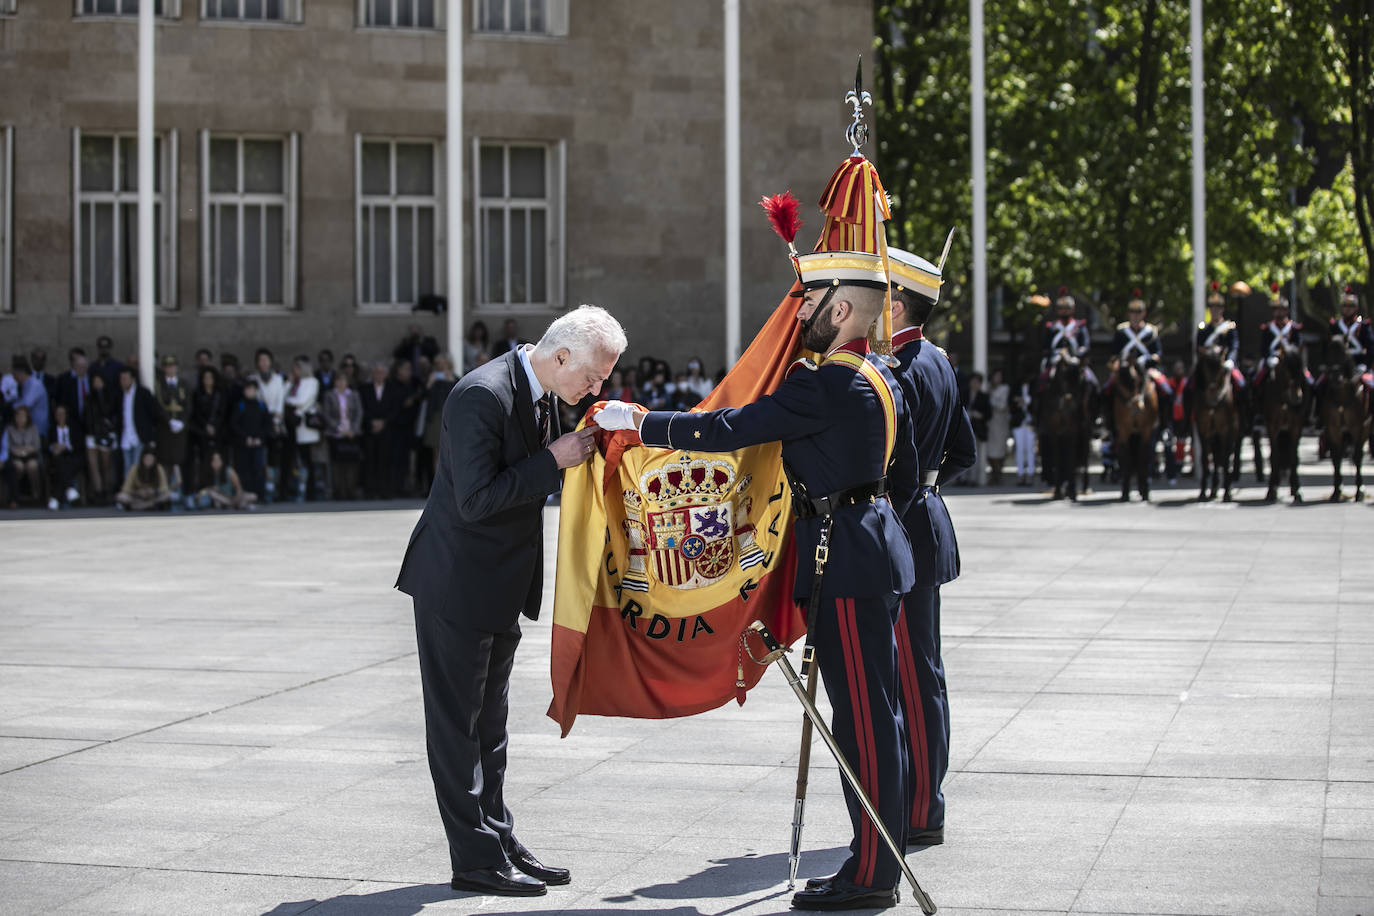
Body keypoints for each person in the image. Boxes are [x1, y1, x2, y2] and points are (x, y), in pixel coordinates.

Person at [597, 250, 919, 911]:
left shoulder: (825, 383)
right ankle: (876, 857)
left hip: (847, 561)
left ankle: (873, 875)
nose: (795, 317)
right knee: (874, 713)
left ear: (838, 310)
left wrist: (640, 422)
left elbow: (729, 429)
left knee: (861, 719)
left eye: (805, 305)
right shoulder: (881, 376)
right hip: (875, 546)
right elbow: (904, 471)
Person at [396, 304, 625, 898]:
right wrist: (553, 461)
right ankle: (472, 857)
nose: (595, 388)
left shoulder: (546, 393)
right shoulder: (482, 395)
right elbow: (475, 499)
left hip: (497, 584)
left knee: (491, 728)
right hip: (457, 583)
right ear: (562, 354)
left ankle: (497, 836)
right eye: (594, 377)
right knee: (456, 728)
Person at [882, 244, 975, 851]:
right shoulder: (938, 361)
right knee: (926, 672)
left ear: (895, 302)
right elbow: (962, 450)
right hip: (929, 521)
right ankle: (925, 799)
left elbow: (897, 464)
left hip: (905, 529)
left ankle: (921, 809)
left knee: (912, 677)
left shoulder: (901, 370)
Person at [282, 356, 322, 502]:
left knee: (308, 461)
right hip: (292, 425)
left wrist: (290, 402)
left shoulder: (312, 382)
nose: (294, 371)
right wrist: (288, 383)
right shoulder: (293, 383)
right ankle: (292, 491)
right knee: (292, 460)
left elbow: (301, 401)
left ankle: (311, 492)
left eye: (297, 368)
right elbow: (282, 396)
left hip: (305, 428)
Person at [360, 361, 402, 498]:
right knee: (370, 460)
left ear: (386, 374)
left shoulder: (392, 389)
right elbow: (362, 408)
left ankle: (385, 490)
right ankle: (370, 491)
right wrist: (371, 422)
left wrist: (384, 422)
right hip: (370, 429)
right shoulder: (365, 389)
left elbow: (395, 409)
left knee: (385, 460)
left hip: (387, 429)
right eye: (376, 372)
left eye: (381, 372)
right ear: (372, 374)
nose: (379, 375)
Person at [321, 371, 364, 500]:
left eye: (343, 380)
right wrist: (340, 429)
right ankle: (339, 491)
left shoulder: (354, 395)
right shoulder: (329, 395)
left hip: (351, 433)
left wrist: (353, 429)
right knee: (337, 464)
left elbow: (359, 412)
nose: (341, 383)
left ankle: (351, 490)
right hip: (335, 434)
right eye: (338, 380)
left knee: (351, 463)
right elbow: (326, 414)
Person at [252, 348, 287, 502]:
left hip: (274, 423)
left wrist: (276, 422)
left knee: (274, 459)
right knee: (260, 459)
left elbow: (280, 402)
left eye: (266, 360)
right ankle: (260, 490)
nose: (264, 363)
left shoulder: (279, 379)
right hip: (259, 423)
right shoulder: (253, 379)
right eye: (261, 360)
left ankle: (273, 489)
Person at [83, 371, 120, 504]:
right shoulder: (89, 398)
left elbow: (108, 412)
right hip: (92, 434)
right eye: (94, 382)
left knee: (106, 465)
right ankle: (98, 491)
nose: (96, 384)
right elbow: (86, 416)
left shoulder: (110, 397)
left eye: (99, 381)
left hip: (106, 434)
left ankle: (107, 490)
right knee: (94, 465)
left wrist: (100, 395)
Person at [230, 377, 270, 499]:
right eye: (248, 389)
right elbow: (234, 424)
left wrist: (260, 438)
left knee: (259, 469)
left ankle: (260, 495)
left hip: (258, 444)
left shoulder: (261, 406)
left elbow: (267, 424)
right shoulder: (240, 406)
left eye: (253, 389)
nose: (250, 391)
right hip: (243, 444)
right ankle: (246, 495)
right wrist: (245, 437)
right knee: (244, 470)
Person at [116, 365, 159, 480]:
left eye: (125, 379)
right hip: (125, 436)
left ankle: (136, 490)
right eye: (121, 379)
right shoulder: (120, 394)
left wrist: (150, 434)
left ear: (133, 379)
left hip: (139, 436)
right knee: (127, 466)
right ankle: (128, 492)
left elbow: (154, 413)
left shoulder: (143, 393)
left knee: (136, 465)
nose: (122, 382)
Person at [189, 367, 227, 492]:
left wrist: (215, 426)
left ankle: (220, 487)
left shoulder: (219, 394)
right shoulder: (197, 394)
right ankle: (203, 488)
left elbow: (222, 413)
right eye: (205, 378)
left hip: (218, 433)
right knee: (204, 460)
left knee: (218, 459)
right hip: (202, 433)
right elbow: (196, 413)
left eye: (210, 378)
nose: (207, 380)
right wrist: (206, 426)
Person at [154, 354, 190, 490]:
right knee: (164, 459)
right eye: (168, 367)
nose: (170, 369)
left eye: (173, 366)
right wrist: (169, 421)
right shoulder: (159, 385)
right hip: (165, 428)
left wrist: (182, 422)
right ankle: (165, 488)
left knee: (178, 460)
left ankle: (178, 490)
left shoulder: (183, 384)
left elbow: (188, 405)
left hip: (180, 429)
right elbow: (158, 405)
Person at [3, 405, 43, 507]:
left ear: (27, 417)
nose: (20, 419)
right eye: (18, 416)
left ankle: (36, 493)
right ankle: (16, 494)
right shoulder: (10, 429)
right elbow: (7, 446)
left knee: (32, 466)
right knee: (18, 466)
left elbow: (37, 446)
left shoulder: (33, 428)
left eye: (23, 416)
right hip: (15, 456)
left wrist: (26, 450)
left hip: (31, 456)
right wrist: (18, 451)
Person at [46, 403, 83, 508]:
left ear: (66, 415)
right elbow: (48, 446)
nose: (60, 416)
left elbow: (79, 445)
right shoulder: (52, 429)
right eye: (58, 414)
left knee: (63, 466)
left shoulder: (74, 428)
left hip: (73, 457)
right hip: (58, 459)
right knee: (59, 461)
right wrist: (54, 447)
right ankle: (70, 488)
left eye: (62, 414)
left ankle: (55, 497)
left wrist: (66, 446)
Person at [985, 368, 1011, 485]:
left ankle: (998, 473)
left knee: (1000, 450)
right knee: (990, 450)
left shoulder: (1005, 389)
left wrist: (991, 400)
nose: (997, 379)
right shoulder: (988, 388)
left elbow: (1002, 405)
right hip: (990, 423)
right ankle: (994, 473)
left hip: (1000, 423)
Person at [966, 372, 990, 486]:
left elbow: (989, 414)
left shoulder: (983, 397)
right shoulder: (964, 394)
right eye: (973, 381)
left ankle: (973, 479)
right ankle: (963, 479)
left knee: (975, 456)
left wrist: (980, 415)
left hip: (977, 429)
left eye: (977, 382)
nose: (975, 384)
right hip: (965, 429)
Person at [1012, 374, 1036, 485]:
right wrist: (1021, 401)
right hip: (1019, 422)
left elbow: (1036, 403)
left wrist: (1024, 401)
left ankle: (1030, 473)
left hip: (1030, 422)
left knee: (1030, 450)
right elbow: (1011, 402)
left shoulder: (1034, 388)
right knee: (1020, 450)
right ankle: (1020, 474)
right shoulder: (1016, 388)